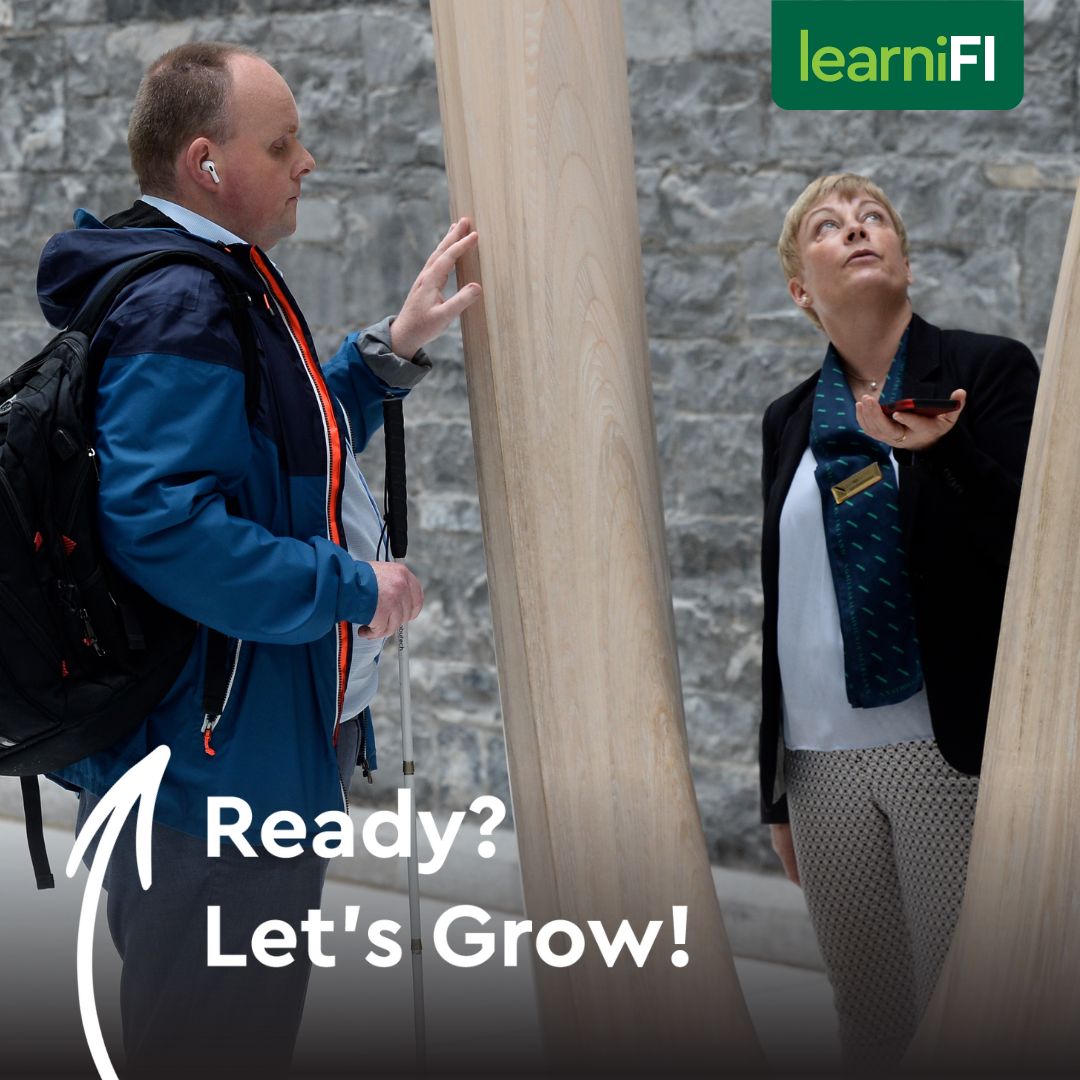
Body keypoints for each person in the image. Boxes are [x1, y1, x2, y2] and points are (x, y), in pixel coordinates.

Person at [36, 42, 480, 1077]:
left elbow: (273, 460)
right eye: (281, 144)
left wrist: (380, 360)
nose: (307, 161)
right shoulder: (184, 302)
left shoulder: (213, 282)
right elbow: (162, 523)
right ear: (206, 164)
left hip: (229, 753)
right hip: (213, 775)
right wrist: (351, 587)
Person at [759, 173, 1038, 1067]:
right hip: (821, 761)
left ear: (906, 261)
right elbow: (782, 596)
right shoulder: (789, 420)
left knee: (968, 1009)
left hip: (943, 743)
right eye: (829, 227)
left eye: (874, 218)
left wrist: (945, 452)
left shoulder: (986, 374)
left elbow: (1037, 542)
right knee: (869, 1017)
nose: (857, 229)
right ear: (802, 291)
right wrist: (775, 786)